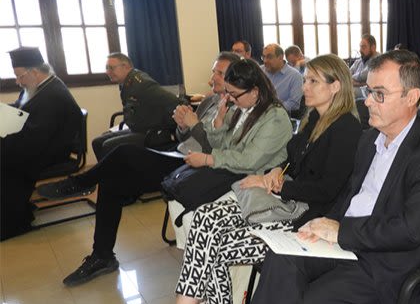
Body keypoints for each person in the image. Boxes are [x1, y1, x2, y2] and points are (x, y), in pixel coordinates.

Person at [216, 50, 420, 304]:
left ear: (411, 97)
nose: (367, 102)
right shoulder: (369, 139)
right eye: (368, 91)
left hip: (388, 267)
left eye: (379, 94)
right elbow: (349, 197)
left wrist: (341, 231)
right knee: (281, 258)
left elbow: (410, 229)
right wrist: (322, 224)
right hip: (348, 245)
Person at [126, 54, 362, 304]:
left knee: (215, 246)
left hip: (305, 219)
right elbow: (292, 161)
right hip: (287, 202)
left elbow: (327, 190)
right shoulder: (315, 118)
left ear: (336, 86)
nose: (304, 86)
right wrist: (275, 172)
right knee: (205, 218)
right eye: (305, 79)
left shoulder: (346, 128)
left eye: (312, 81)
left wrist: (277, 185)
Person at [39, 58, 293, 287]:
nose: (228, 94)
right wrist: (200, 125)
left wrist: (206, 150)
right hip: (201, 160)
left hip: (228, 172)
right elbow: (218, 142)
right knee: (112, 179)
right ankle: (101, 254)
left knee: (123, 154)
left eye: (232, 91)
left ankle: (81, 184)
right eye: (216, 74)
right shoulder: (235, 106)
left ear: (254, 90)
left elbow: (247, 159)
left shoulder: (272, 116)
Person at [1, 47, 82, 241]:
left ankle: (11, 222)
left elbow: (34, 138)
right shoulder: (38, 87)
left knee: (5, 163)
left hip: (51, 151)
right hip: (40, 143)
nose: (18, 81)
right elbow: (21, 108)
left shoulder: (53, 96)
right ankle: (17, 209)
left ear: (35, 72)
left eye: (20, 76)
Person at [92, 52, 183, 160]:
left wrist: (168, 129)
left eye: (111, 68)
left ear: (125, 66)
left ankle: (117, 171)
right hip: (136, 129)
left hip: (151, 133)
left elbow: (175, 102)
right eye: (107, 68)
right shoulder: (128, 83)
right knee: (97, 142)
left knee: (108, 145)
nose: (108, 72)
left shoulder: (142, 83)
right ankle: (107, 170)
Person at [261, 43, 303, 112]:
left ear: (280, 57)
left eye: (269, 57)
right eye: (263, 57)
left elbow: (294, 104)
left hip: (279, 115)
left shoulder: (295, 76)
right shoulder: (260, 70)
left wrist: (271, 109)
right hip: (257, 113)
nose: (265, 61)